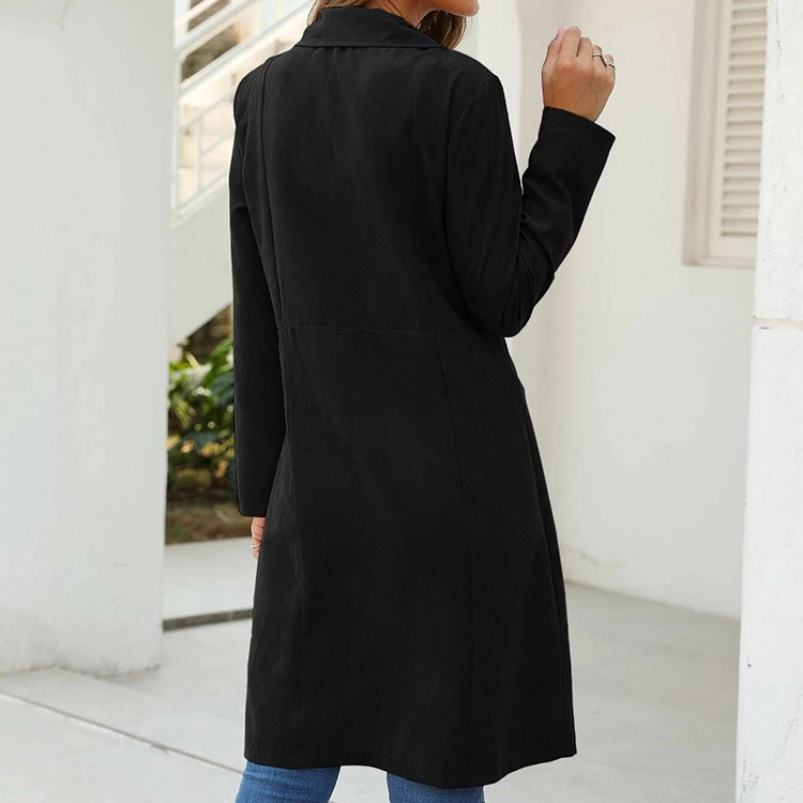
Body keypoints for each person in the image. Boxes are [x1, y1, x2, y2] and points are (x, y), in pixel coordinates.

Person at [230, 1, 615, 800]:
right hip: (449, 488)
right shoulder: (455, 89)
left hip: (319, 483)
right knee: (434, 762)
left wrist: (265, 484)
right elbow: (502, 294)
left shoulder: (263, 92)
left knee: (287, 761)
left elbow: (258, 308)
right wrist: (569, 128)